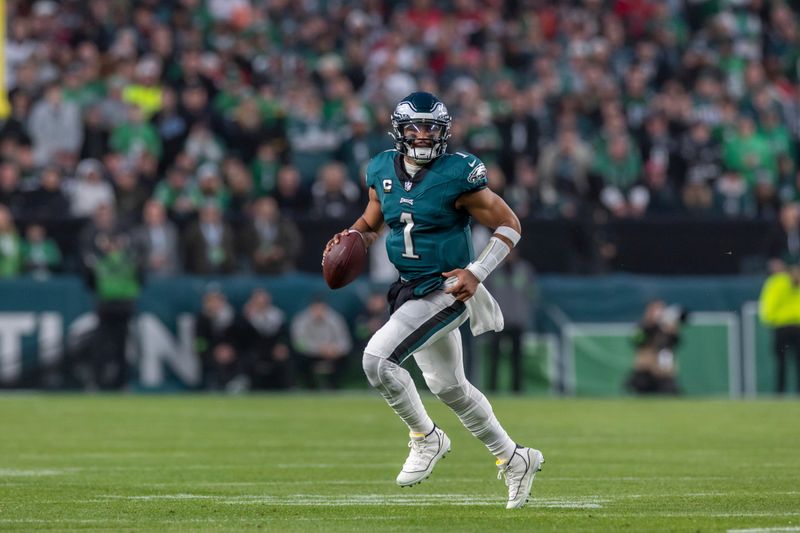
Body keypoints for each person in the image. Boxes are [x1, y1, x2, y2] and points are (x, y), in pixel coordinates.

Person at [322, 92, 543, 509]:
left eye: (431, 128)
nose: (423, 135)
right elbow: (373, 222)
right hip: (407, 287)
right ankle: (515, 458)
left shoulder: (458, 173)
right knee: (449, 387)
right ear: (400, 131)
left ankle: (426, 437)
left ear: (444, 132)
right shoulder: (381, 167)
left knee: (377, 361)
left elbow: (509, 225)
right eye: (415, 127)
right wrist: (351, 237)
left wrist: (476, 271)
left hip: (446, 288)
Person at [759, 255, 800, 394]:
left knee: (781, 362)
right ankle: (782, 392)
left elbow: (768, 304)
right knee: (788, 362)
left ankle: (780, 393)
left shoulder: (775, 281)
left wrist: (769, 319)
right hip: (792, 326)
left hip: (782, 327)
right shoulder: (781, 282)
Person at [625, 300, 685, 395]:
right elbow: (637, 341)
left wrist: (670, 329)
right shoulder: (642, 326)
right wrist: (651, 325)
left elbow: (675, 342)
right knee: (639, 384)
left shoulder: (668, 328)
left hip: (663, 372)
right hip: (645, 369)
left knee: (670, 390)